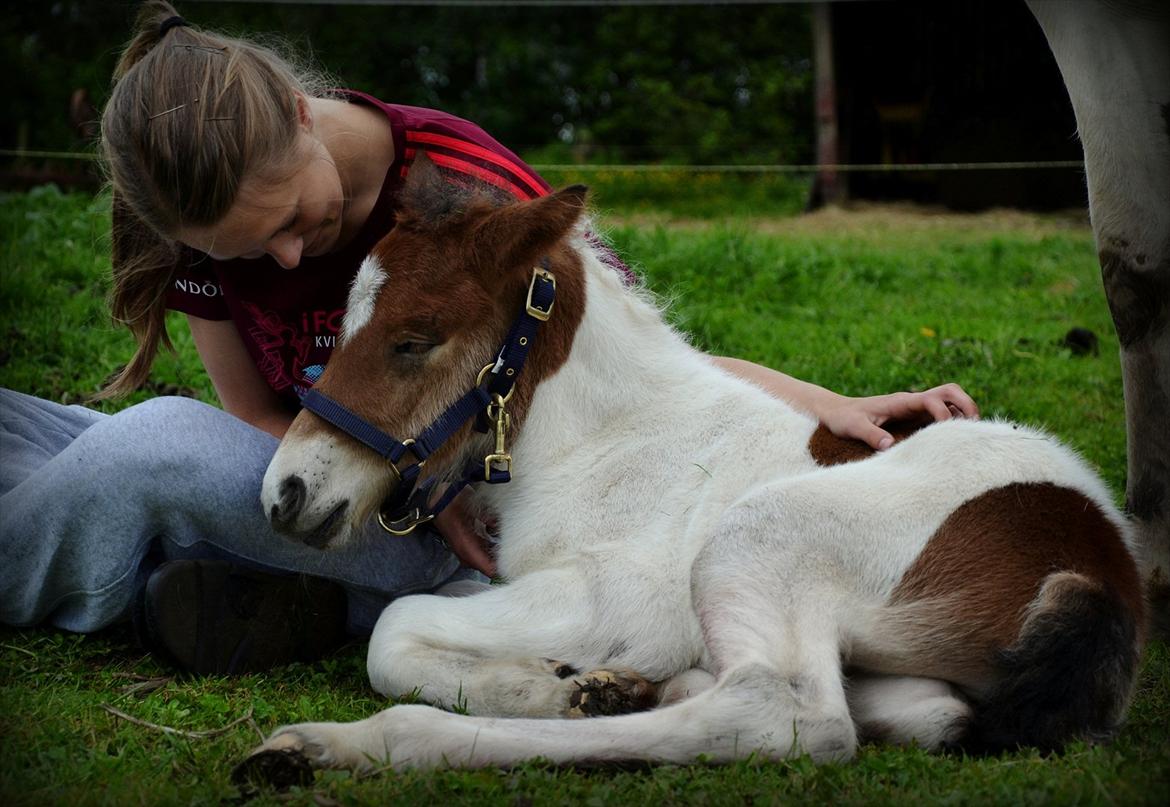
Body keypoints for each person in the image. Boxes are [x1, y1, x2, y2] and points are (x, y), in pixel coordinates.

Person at [0, 2, 978, 674]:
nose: (291, 261)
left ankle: (172, 577)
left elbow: (625, 362)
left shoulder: (461, 191)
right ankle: (243, 580)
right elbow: (252, 415)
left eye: (296, 220)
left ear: (300, 118)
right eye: (255, 251)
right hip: (315, 472)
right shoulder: (206, 214)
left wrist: (823, 406)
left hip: (451, 521)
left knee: (146, 446)